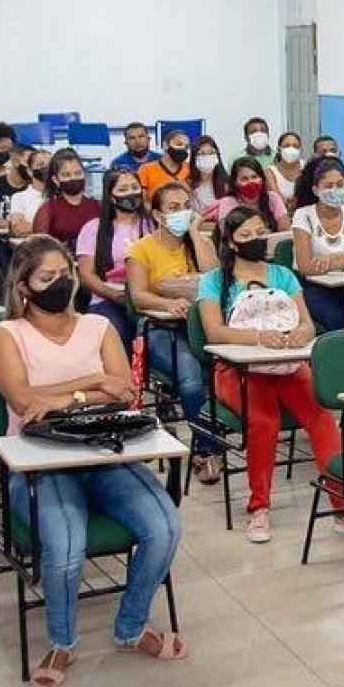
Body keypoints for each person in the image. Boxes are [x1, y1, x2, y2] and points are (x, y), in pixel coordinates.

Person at [0, 239, 187, 687]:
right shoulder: (6, 335)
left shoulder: (98, 326)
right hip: (41, 462)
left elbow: (123, 390)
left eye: (65, 275)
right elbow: (21, 400)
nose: (60, 284)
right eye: (46, 278)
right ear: (22, 287)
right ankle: (62, 640)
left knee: (166, 527)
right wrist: (93, 382)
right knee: (67, 546)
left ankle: (131, 627)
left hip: (104, 451)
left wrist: (65, 395)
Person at [197, 207, 344, 544]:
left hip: (287, 363)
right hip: (237, 369)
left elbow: (307, 322)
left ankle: (343, 506)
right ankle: (260, 508)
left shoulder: (282, 274)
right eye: (246, 236)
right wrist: (257, 337)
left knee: (322, 417)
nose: (256, 240)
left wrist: (302, 332)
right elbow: (213, 332)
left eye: (259, 231)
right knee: (264, 421)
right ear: (230, 243)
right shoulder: (213, 281)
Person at [126, 182, 223, 483]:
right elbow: (138, 295)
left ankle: (219, 431)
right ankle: (206, 451)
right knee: (192, 382)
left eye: (186, 206)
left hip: (201, 324)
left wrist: (195, 233)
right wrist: (167, 302)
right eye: (173, 208)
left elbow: (215, 278)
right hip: (160, 328)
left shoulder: (198, 242)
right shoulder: (140, 249)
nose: (182, 213)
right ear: (157, 215)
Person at [289, 156, 344, 333]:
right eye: (328, 186)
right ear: (315, 190)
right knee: (340, 320)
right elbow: (306, 266)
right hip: (313, 286)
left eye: (340, 185)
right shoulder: (303, 215)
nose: (335, 190)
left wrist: (336, 260)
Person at [77, 166, 152, 344]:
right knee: (120, 333)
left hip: (147, 299)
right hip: (107, 299)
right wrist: (115, 295)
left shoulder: (152, 225)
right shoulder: (93, 228)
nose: (131, 193)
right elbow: (87, 274)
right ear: (111, 196)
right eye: (123, 190)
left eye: (135, 187)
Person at [32, 147, 99, 246]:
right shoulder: (48, 209)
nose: (73, 178)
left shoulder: (97, 205)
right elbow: (39, 248)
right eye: (66, 175)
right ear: (55, 180)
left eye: (78, 173)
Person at [204, 156, 290, 231]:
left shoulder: (273, 198)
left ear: (262, 179)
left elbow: (285, 229)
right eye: (244, 179)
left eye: (254, 177)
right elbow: (226, 235)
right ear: (235, 182)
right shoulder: (227, 202)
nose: (251, 182)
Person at [138, 128, 196, 199]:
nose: (183, 149)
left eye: (186, 147)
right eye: (179, 144)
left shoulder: (191, 168)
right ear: (165, 145)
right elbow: (142, 201)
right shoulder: (146, 169)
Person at [5, 149, 52, 234]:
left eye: (50, 165)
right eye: (40, 164)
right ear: (29, 171)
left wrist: (32, 227)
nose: (46, 168)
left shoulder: (62, 195)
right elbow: (18, 228)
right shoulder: (19, 197)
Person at [188, 135, 228, 218]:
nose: (207, 157)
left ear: (217, 157)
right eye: (201, 153)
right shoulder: (187, 185)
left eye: (211, 153)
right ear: (194, 159)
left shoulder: (227, 184)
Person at [267, 130, 306, 205]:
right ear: (279, 149)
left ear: (300, 150)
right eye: (287, 146)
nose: (291, 149)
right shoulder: (269, 171)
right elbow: (277, 199)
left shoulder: (307, 167)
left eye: (295, 146)